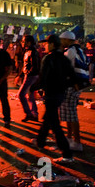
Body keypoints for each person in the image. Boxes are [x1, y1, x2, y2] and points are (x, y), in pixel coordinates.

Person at [34, 34, 75, 164]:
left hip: (51, 94)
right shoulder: (64, 59)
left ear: (52, 44)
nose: (44, 46)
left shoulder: (48, 58)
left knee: (55, 124)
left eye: (46, 43)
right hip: (60, 94)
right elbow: (72, 76)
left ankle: (67, 153)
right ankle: (40, 141)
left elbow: (43, 77)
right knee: (48, 118)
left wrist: (36, 88)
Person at [59, 31, 90, 152]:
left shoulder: (70, 51)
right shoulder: (79, 50)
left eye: (61, 40)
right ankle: (69, 137)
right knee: (68, 113)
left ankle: (77, 142)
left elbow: (63, 66)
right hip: (76, 85)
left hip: (71, 86)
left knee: (71, 114)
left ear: (66, 40)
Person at [17, 35, 41, 122]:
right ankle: (34, 114)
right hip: (29, 76)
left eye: (24, 41)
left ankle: (29, 113)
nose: (22, 43)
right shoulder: (28, 51)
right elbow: (25, 65)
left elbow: (35, 67)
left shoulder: (33, 52)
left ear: (29, 42)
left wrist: (27, 75)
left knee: (21, 94)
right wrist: (20, 75)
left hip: (31, 76)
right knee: (30, 96)